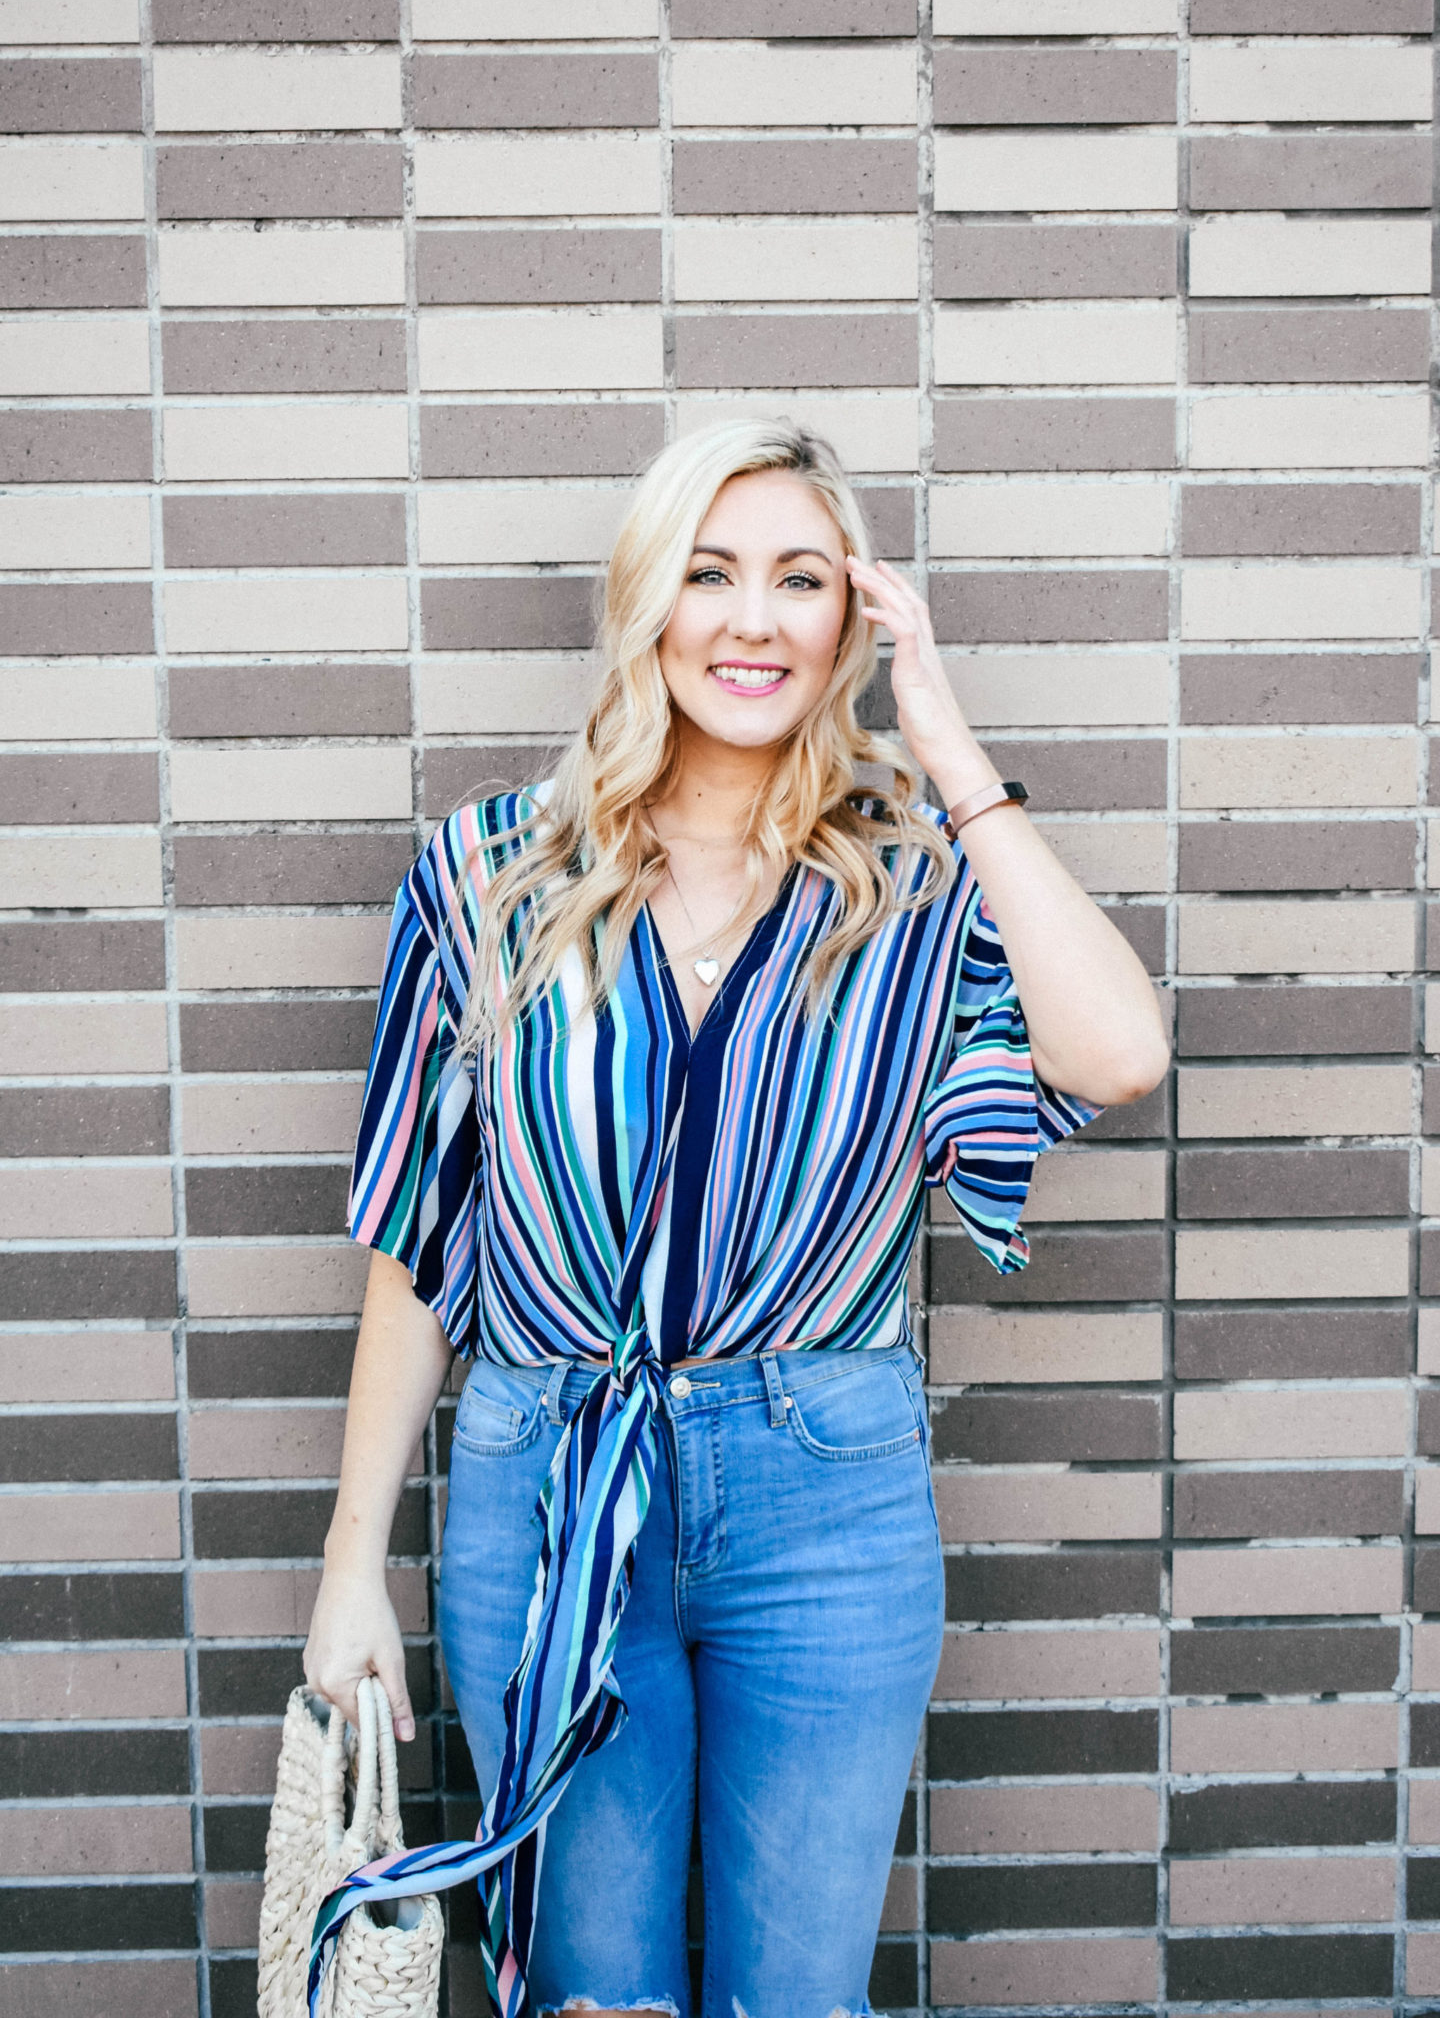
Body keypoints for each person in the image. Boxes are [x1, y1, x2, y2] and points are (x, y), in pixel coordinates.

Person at [302, 418, 1170, 2018]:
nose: (752, 620)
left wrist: (953, 751)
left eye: (800, 579)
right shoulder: (490, 872)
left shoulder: (912, 885)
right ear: (649, 602)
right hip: (546, 1480)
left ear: (853, 618)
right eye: (709, 574)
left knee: (799, 2001)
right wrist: (352, 1561)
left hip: (823, 1496)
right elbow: (421, 1238)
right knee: (595, 1999)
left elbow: (1117, 1053)